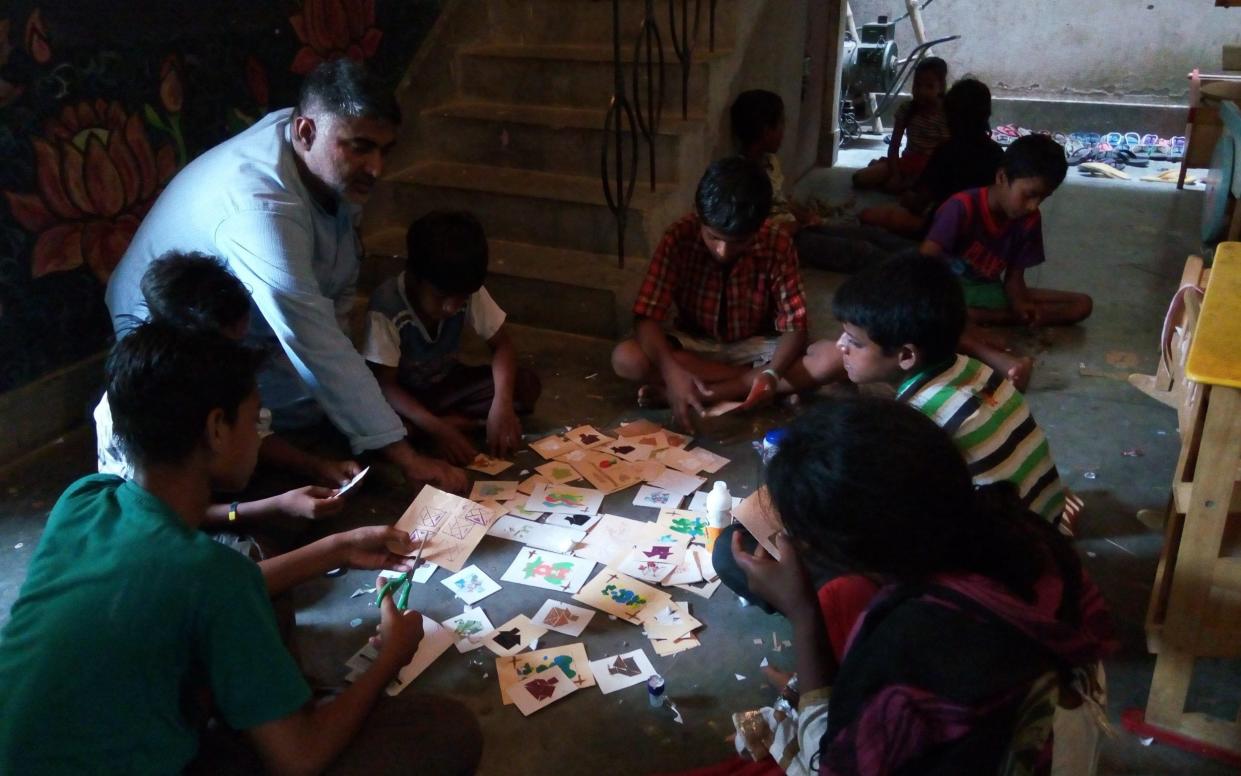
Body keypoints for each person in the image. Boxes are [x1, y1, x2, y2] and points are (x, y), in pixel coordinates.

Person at [0, 321, 482, 774]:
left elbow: (199, 590)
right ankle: (279, 713)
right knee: (446, 734)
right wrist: (389, 658)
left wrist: (337, 548)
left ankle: (265, 707)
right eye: (254, 421)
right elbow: (299, 760)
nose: (258, 437)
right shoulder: (212, 575)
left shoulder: (83, 498)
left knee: (256, 597)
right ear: (216, 429)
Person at [104, 58, 467, 494]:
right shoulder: (260, 206)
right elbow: (309, 335)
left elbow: (335, 291)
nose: (377, 168)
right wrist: (404, 455)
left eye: (385, 150)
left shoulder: (318, 154)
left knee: (324, 401)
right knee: (244, 446)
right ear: (305, 132)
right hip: (166, 324)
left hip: (240, 321)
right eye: (361, 147)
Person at [730, 398, 1115, 775]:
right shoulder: (1017, 527)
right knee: (846, 596)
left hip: (1020, 749)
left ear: (841, 548)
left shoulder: (911, 647)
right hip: (1059, 730)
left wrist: (802, 616)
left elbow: (832, 763)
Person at [96, 252, 360, 528]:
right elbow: (164, 514)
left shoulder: (211, 384)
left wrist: (316, 465)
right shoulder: (146, 414)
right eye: (226, 347)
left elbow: (252, 432)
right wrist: (276, 506)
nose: (234, 359)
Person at [828, 253, 1069, 526]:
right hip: (1049, 523)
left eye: (854, 342)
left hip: (1010, 554)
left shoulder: (918, 421)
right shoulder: (974, 369)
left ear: (907, 355)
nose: (840, 346)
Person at [611, 157, 810, 429]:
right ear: (699, 217)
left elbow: (795, 325)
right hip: (697, 347)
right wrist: (671, 371)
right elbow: (647, 316)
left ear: (759, 226)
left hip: (755, 347)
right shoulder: (678, 237)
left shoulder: (777, 242)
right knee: (627, 358)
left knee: (831, 357)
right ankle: (753, 384)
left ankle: (709, 391)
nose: (722, 251)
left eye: (738, 242)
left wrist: (773, 371)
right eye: (713, 237)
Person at [362, 211, 541, 465]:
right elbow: (385, 385)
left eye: (461, 299)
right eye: (441, 296)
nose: (451, 308)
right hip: (405, 398)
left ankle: (447, 425)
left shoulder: (465, 289)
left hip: (447, 386)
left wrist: (501, 405)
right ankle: (450, 425)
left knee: (524, 384)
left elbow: (502, 345)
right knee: (372, 426)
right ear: (415, 277)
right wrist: (438, 429)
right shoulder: (387, 307)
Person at [922, 134, 1093, 389]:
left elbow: (1014, 278)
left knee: (1081, 304)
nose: (1033, 205)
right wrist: (945, 303)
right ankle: (969, 322)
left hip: (986, 290)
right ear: (1002, 178)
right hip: (945, 290)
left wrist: (1022, 306)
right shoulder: (962, 207)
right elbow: (923, 265)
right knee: (931, 318)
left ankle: (976, 317)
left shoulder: (1029, 219)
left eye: (1042, 198)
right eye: (1029, 195)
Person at [731, 89, 915, 273]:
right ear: (766, 131)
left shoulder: (769, 162)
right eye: (780, 124)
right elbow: (755, 232)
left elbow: (781, 200)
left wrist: (805, 216)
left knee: (870, 234)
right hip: (783, 241)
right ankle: (915, 272)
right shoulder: (741, 177)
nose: (784, 131)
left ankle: (927, 256)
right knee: (860, 251)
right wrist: (795, 225)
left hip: (797, 227)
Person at [858, 78, 1004, 237]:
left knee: (869, 215)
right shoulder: (997, 153)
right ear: (987, 114)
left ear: (950, 116)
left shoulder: (947, 152)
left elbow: (918, 202)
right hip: (982, 232)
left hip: (944, 229)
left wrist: (908, 199)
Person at [852, 57, 950, 193]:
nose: (922, 91)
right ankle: (900, 181)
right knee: (860, 178)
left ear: (941, 87)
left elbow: (948, 154)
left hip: (932, 168)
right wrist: (895, 174)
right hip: (907, 162)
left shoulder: (947, 114)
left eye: (929, 86)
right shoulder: (907, 109)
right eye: (917, 85)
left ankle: (909, 186)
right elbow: (894, 146)